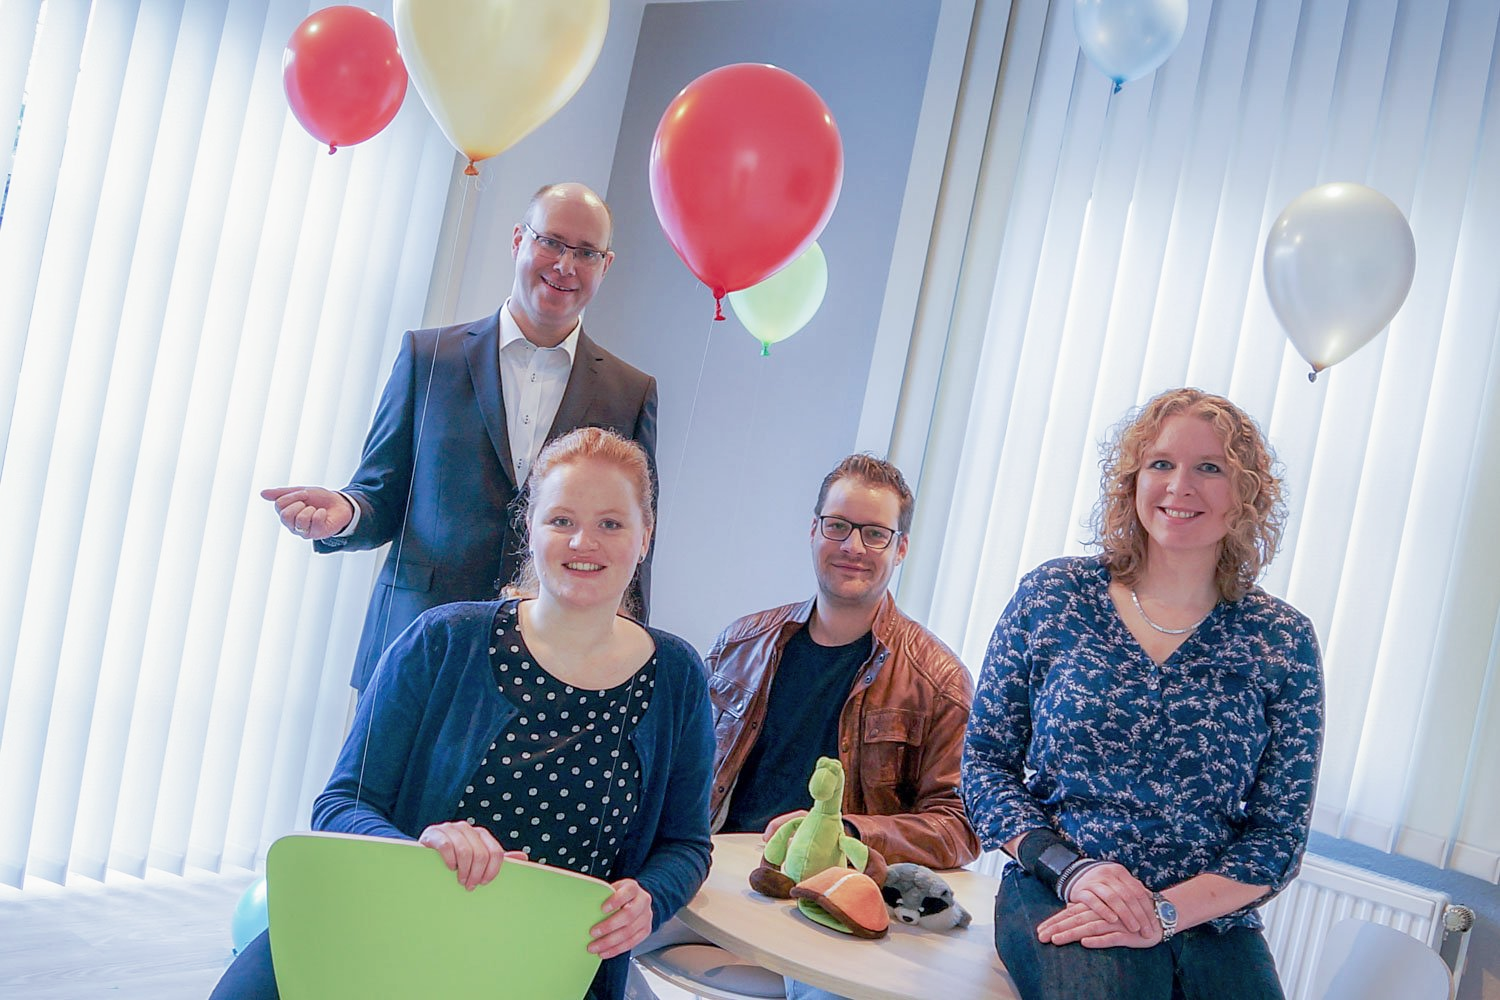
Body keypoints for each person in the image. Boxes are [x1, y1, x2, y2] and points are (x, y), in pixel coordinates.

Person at [213, 428, 713, 1000]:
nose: (583, 542)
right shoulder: (444, 639)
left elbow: (686, 844)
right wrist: (419, 848)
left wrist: (649, 899)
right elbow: (342, 804)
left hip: (546, 962)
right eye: (561, 520)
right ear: (531, 527)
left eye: (611, 524)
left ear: (645, 536)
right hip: (381, 924)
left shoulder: (676, 674)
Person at [961, 388, 1324, 1000]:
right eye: (1161, 463)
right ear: (1133, 481)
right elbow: (985, 764)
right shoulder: (1055, 596)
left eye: (1209, 468)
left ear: (1245, 496)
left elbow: (1279, 834)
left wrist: (1165, 913)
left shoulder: (1281, 639)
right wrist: (1071, 869)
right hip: (1067, 890)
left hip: (1210, 918)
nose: (1180, 486)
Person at [262, 182, 657, 692]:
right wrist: (347, 512)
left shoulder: (630, 392)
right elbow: (379, 494)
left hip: (553, 667)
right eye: (551, 242)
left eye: (586, 252)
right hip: (414, 644)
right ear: (518, 240)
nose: (565, 265)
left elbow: (634, 542)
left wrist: (629, 663)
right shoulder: (428, 358)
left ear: (606, 265)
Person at [689, 454, 979, 1000]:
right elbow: (683, 775)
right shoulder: (741, 643)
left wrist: (848, 830)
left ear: (901, 548)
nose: (853, 546)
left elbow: (958, 827)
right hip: (721, 875)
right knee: (592, 937)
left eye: (875, 533)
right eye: (838, 526)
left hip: (839, 900)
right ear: (813, 529)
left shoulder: (938, 679)